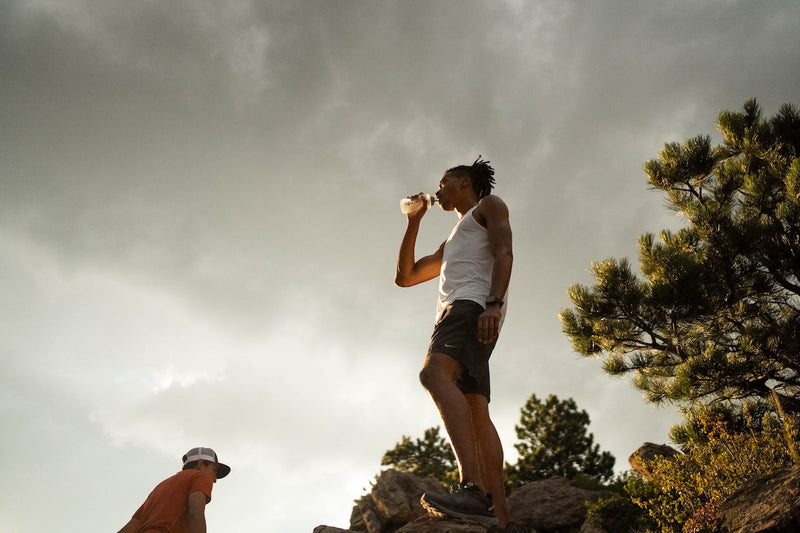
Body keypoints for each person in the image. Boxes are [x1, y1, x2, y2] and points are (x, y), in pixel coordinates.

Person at [395, 158, 517, 531]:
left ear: (464, 182)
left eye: (443, 182)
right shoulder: (455, 237)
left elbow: (505, 253)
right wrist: (414, 221)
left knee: (433, 374)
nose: (438, 189)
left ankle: (471, 489)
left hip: (470, 308)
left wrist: (493, 304)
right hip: (474, 316)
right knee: (476, 415)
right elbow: (407, 276)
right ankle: (499, 519)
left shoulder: (488, 206)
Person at [116, 447, 231, 533]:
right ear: (201, 464)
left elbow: (130, 527)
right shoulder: (200, 477)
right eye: (214, 470)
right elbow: (195, 512)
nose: (215, 479)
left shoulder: (160, 487)